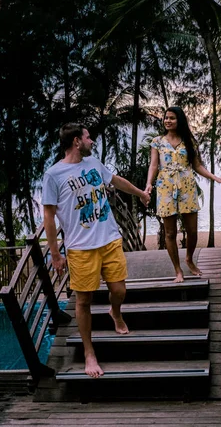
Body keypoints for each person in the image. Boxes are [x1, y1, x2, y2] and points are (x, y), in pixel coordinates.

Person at [42, 123, 150, 379]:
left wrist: (140, 193)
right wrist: (56, 254)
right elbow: (48, 215)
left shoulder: (94, 164)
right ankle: (90, 353)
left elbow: (117, 181)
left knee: (119, 290)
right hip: (80, 248)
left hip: (109, 238)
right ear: (77, 141)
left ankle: (115, 311)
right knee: (83, 301)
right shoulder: (53, 175)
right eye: (88, 138)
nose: (92, 142)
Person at [145, 106, 221, 283]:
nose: (167, 121)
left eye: (172, 118)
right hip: (165, 187)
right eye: (166, 118)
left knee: (192, 231)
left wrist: (215, 178)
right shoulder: (157, 142)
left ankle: (189, 259)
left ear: (180, 121)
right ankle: (178, 270)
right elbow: (154, 165)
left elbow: (197, 166)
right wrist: (148, 185)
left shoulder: (189, 142)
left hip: (187, 186)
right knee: (170, 233)